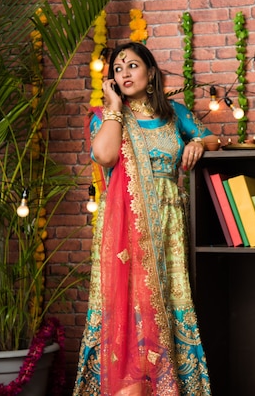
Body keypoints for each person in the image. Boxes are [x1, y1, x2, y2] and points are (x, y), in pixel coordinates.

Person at [74, 42, 217, 395]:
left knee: (167, 299)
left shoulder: (174, 114)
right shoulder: (106, 116)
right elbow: (105, 156)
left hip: (169, 224)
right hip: (126, 227)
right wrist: (114, 108)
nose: (124, 73)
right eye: (118, 69)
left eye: (132, 66)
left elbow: (211, 137)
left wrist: (199, 143)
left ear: (150, 72)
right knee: (126, 302)